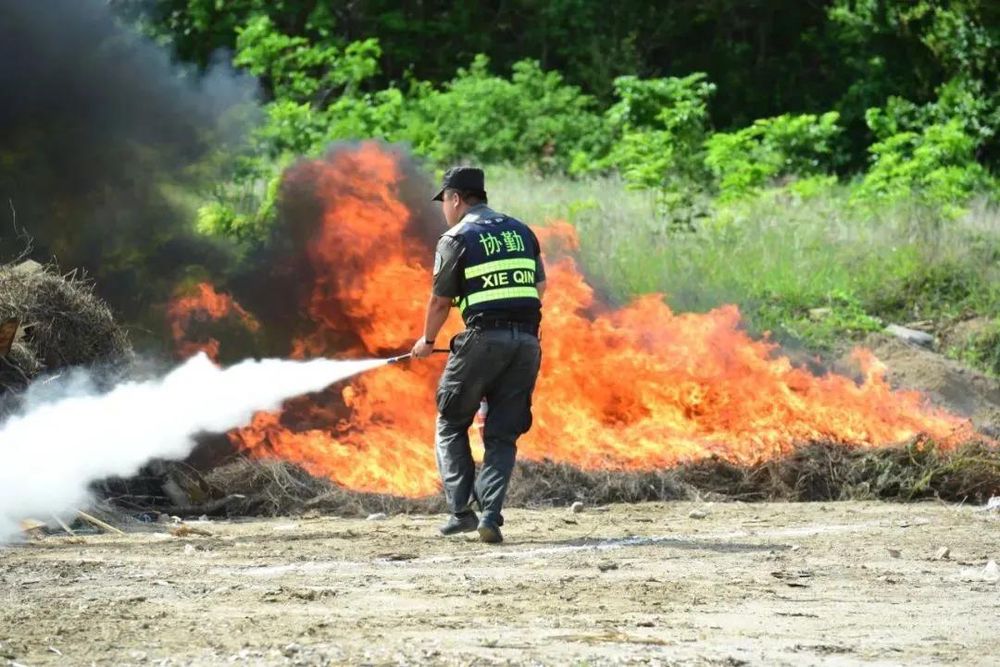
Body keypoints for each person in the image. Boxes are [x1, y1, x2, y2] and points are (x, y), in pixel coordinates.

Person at [411, 166, 545, 544]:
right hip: (527, 344)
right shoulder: (522, 231)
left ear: (455, 198)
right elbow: (540, 287)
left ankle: (460, 512)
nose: (444, 210)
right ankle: (490, 514)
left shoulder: (456, 237)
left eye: (445, 202)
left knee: (451, 420)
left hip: (484, 338)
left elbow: (440, 301)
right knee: (503, 434)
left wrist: (426, 340)